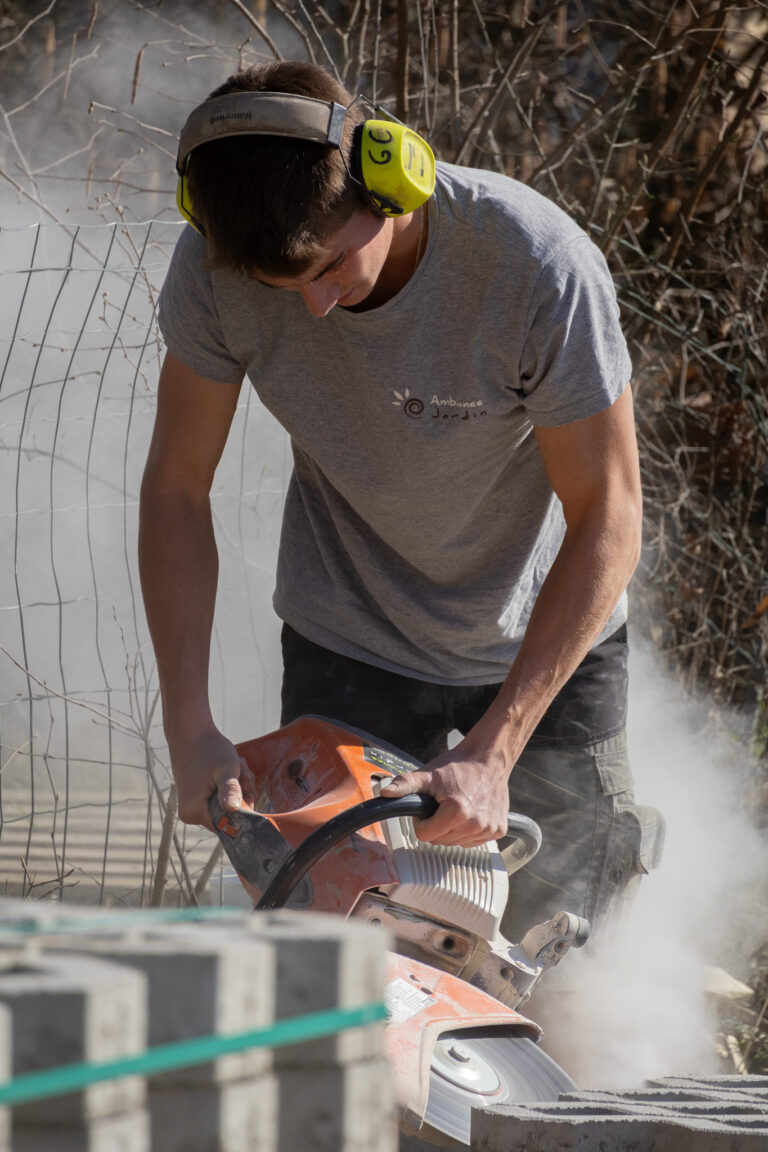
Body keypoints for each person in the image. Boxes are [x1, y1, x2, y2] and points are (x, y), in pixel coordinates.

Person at [139, 59, 661, 943]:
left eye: (332, 265)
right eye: (283, 287)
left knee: (565, 948)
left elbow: (609, 513)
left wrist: (496, 749)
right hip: (351, 640)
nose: (315, 305)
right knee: (355, 947)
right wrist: (187, 723)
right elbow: (176, 490)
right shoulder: (215, 267)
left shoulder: (534, 265)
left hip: (535, 643)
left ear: (391, 177)